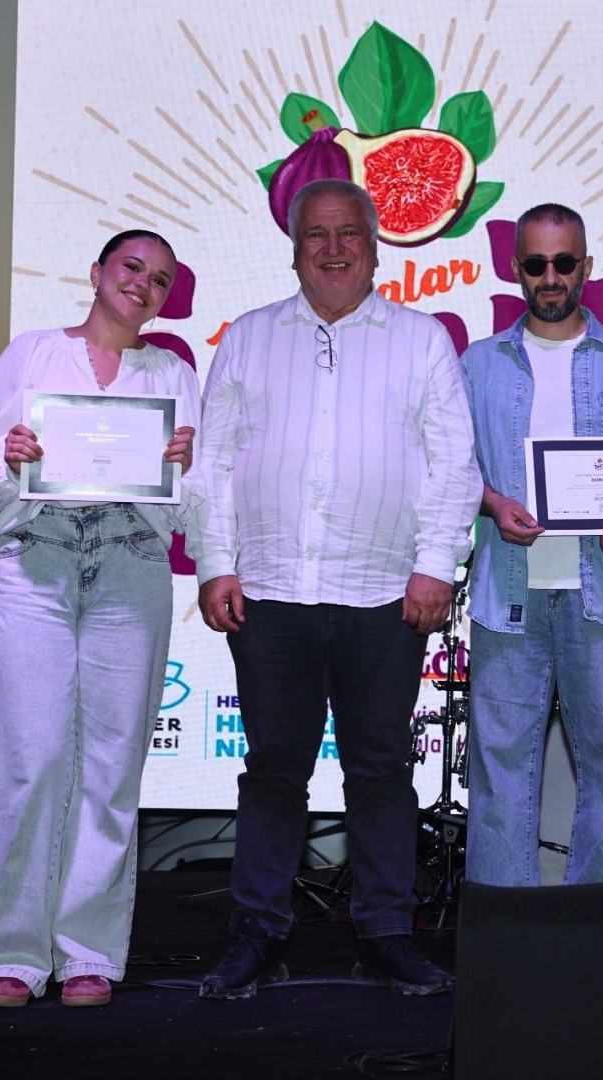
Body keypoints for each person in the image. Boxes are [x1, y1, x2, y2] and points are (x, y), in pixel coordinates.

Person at [189, 179, 480, 998]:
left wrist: (436, 566)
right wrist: (215, 564)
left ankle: (387, 935)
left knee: (380, 771)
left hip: (384, 591)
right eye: (316, 234)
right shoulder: (248, 338)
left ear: (375, 245)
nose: (333, 248)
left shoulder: (421, 340)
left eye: (348, 232)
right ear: (294, 249)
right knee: (273, 772)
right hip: (271, 588)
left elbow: (454, 464)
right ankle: (258, 935)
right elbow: (213, 464)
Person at [0, 230, 199, 1008]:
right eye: (132, 267)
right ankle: (12, 956)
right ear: (96, 273)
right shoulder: (32, 354)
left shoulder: (174, 375)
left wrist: (185, 467)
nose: (143, 284)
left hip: (132, 561)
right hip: (38, 560)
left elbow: (199, 504)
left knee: (111, 768)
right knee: (30, 761)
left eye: (160, 279)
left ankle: (88, 953)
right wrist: (11, 454)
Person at [460, 203, 603, 886]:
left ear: (586, 266)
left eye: (563, 262)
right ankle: (506, 929)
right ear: (515, 268)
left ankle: (599, 927)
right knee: (499, 770)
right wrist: (492, 503)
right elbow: (451, 471)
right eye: (535, 263)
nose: (549, 277)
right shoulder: (478, 365)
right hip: (506, 594)